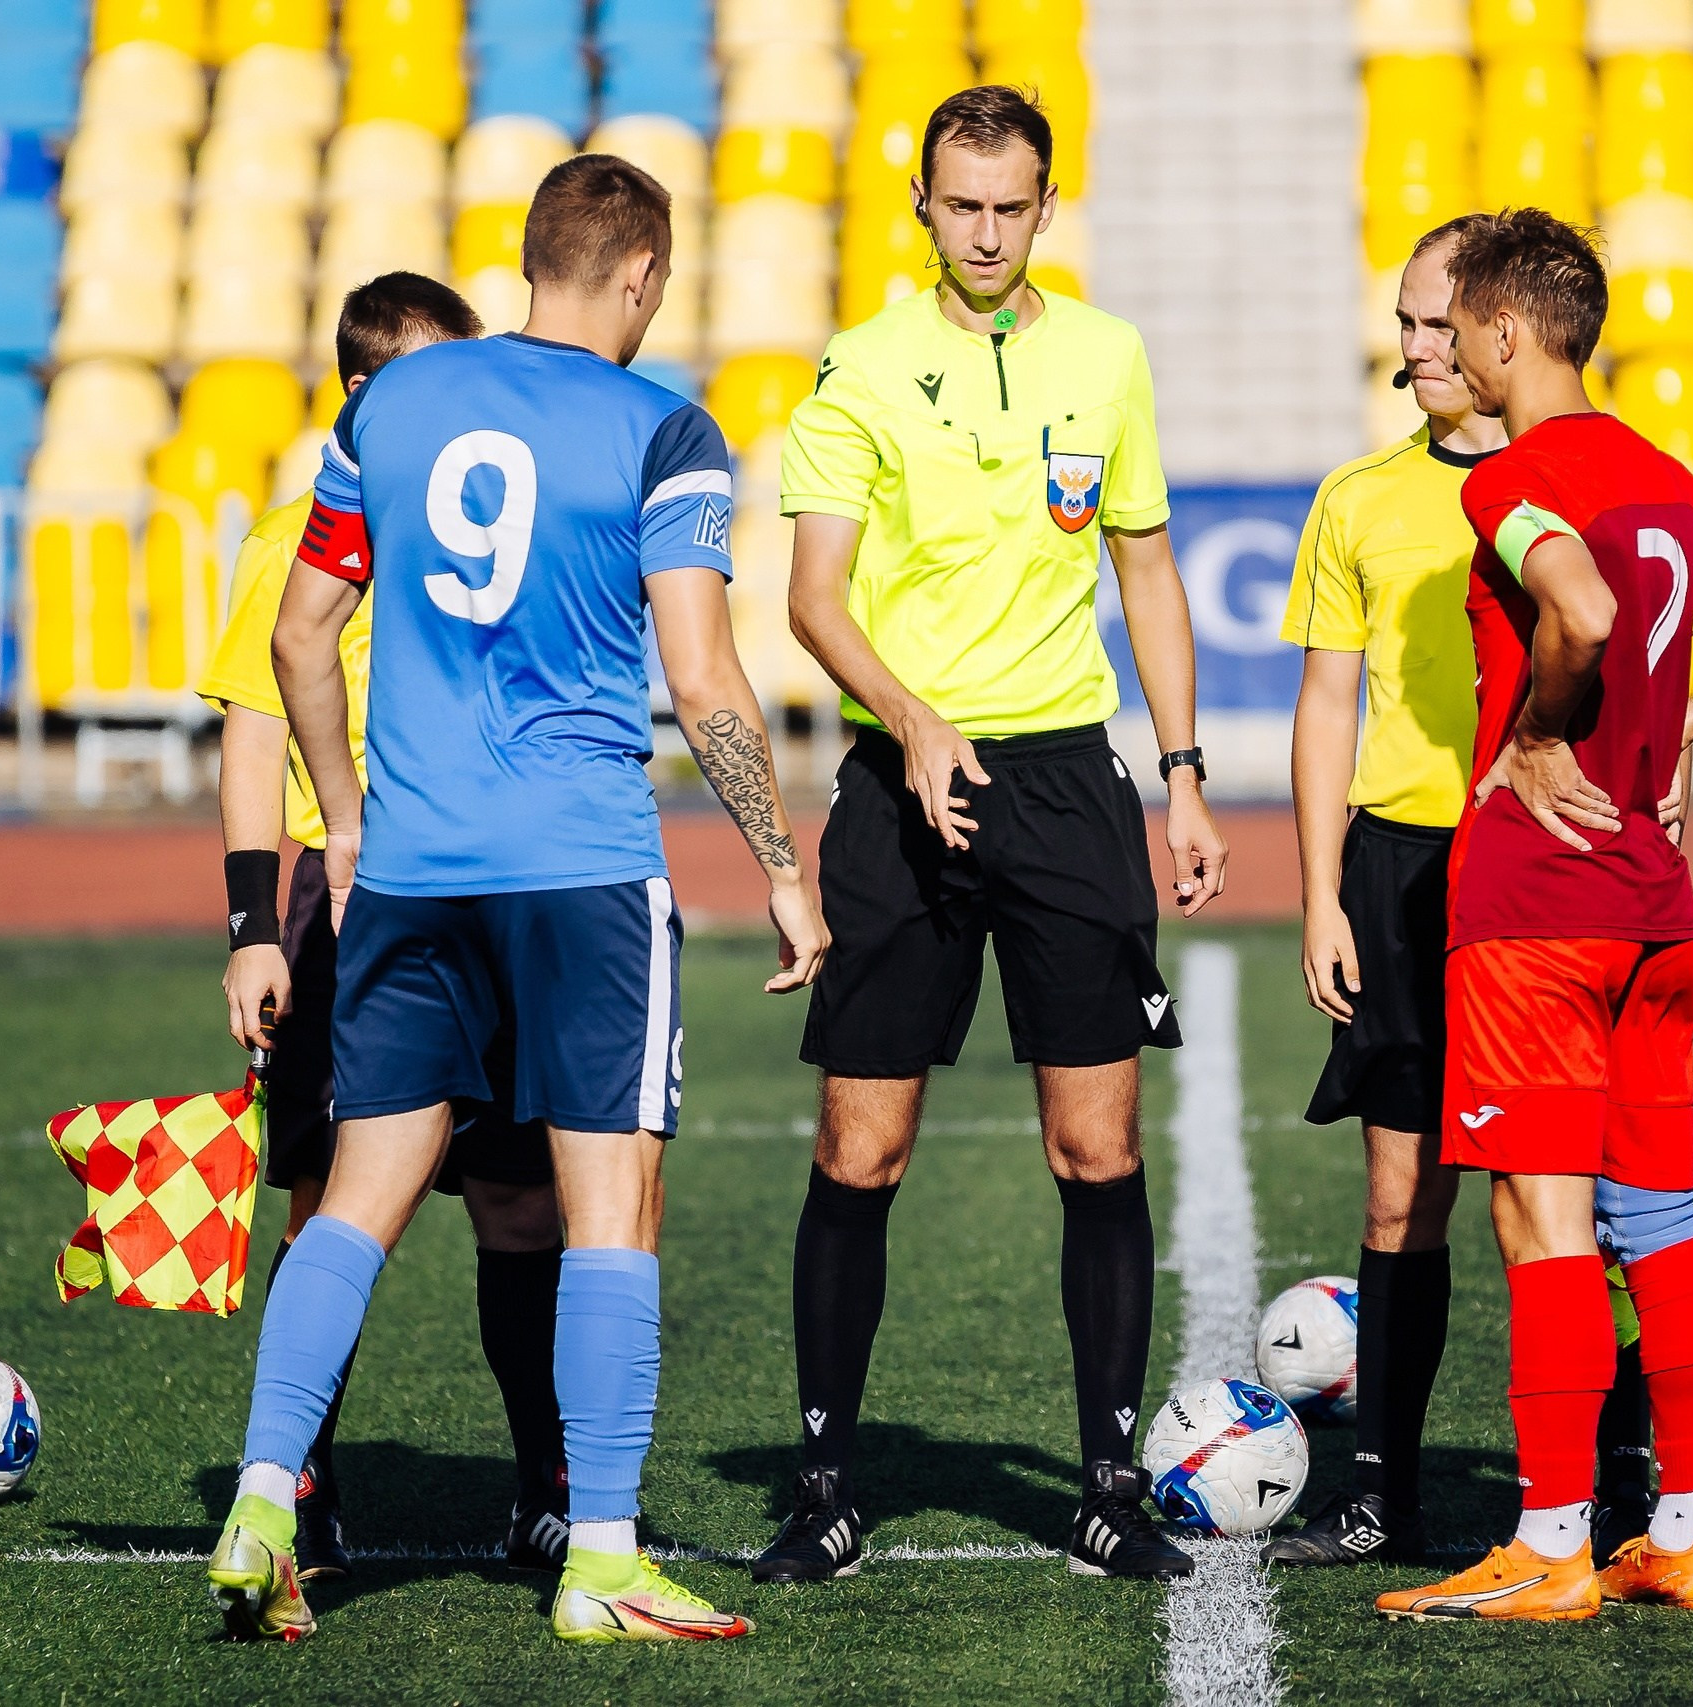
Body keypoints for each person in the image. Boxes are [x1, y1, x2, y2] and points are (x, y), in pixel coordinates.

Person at [204, 153, 828, 1646]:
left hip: (413, 869)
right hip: (582, 870)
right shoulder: (664, 428)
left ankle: (264, 1502)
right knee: (612, 1206)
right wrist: (784, 869)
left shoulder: (391, 406)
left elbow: (300, 637)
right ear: (642, 276)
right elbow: (702, 679)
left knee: (356, 1199)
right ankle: (600, 1556)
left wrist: (347, 821)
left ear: (528, 261)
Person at [751, 85, 1227, 1587]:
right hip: (902, 790)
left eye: (1011, 206)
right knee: (862, 1147)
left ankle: (1108, 1486)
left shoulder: (1107, 356)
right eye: (961, 205)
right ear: (922, 203)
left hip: (1069, 789)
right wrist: (911, 719)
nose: (985, 232)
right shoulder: (859, 364)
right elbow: (813, 598)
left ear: (1045, 206)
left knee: (1098, 1147)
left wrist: (1185, 775)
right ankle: (824, 1486)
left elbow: (1147, 572)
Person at [1372, 208, 1693, 1624]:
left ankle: (1553, 1544)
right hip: (1654, 897)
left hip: (1536, 901)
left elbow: (1573, 608)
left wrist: (1536, 731)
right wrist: (1673, 725)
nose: (1445, 350)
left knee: (1542, 1221)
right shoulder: (1666, 479)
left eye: (1457, 327)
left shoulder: (1512, 478)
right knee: (1663, 1222)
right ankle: (1685, 1535)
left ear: (1507, 332)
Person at [1261, 222, 1693, 1569]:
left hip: (1555, 873)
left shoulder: (1586, 480)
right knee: (1404, 1196)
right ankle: (1383, 1489)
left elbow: (1660, 657)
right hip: (1405, 867)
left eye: (1440, 321)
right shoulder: (1360, 498)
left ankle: (1618, 1480)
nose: (1418, 346)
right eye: (1404, 321)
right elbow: (1327, 701)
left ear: (1501, 326)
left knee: (1596, 1201)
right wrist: (1321, 891)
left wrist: (1670, 773)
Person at [197, 272, 578, 1583]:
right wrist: (254, 927)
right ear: (363, 396)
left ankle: (546, 1485)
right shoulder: (291, 539)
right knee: (329, 1199)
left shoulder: (488, 526)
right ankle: (298, 1483)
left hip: (492, 887)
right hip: (344, 904)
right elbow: (255, 740)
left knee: (524, 1203)